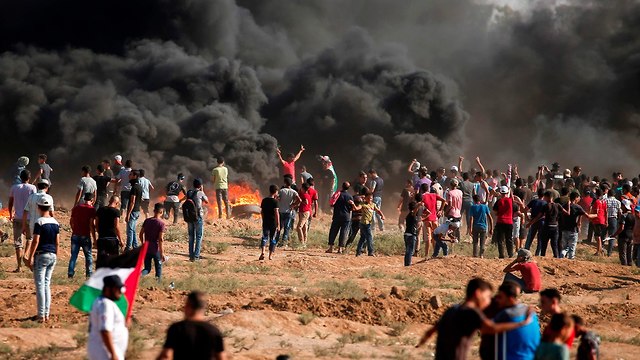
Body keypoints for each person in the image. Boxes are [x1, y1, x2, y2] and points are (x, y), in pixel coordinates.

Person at [416, 278, 533, 360]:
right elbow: (491, 328)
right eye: (487, 297)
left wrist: (423, 341)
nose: (488, 302)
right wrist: (522, 323)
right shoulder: (472, 312)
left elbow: (433, 329)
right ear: (477, 293)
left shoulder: (452, 309)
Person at [157, 291, 227, 360]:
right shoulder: (213, 331)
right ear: (204, 308)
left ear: (187, 306)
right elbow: (221, 357)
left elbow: (166, 355)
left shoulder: (177, 328)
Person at [24, 196, 58, 322]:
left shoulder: (39, 222)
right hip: (52, 255)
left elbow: (36, 240)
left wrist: (30, 257)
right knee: (46, 285)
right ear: (49, 207)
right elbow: (57, 242)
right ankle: (47, 314)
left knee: (40, 285)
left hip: (41, 255)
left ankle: (41, 315)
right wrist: (56, 255)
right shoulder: (55, 222)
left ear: (38, 207)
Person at [492, 282, 541, 360]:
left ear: (510, 299)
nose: (498, 300)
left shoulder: (506, 315)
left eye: (500, 297)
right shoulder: (531, 313)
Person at [87, 275, 128, 360]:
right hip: (106, 352)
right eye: (118, 289)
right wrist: (113, 353)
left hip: (105, 350)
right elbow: (105, 330)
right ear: (108, 289)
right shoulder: (105, 304)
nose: (121, 292)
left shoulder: (101, 301)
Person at [8, 169, 37, 272]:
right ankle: (26, 256)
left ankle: (19, 266)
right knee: (30, 238)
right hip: (29, 217)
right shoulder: (32, 187)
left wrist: (11, 214)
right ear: (29, 178)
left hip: (17, 217)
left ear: (20, 177)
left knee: (18, 242)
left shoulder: (14, 188)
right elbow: (34, 201)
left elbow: (10, 202)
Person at [22, 179, 54, 265]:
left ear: (38, 186)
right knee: (42, 244)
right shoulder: (49, 198)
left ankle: (31, 259)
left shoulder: (31, 197)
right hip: (45, 225)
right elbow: (51, 213)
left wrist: (24, 226)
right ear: (47, 187)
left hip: (33, 224)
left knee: (34, 241)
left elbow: (25, 211)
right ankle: (37, 262)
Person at [559, 192, 597, 259]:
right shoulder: (578, 207)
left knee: (564, 248)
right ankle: (570, 261)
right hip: (573, 230)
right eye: (578, 197)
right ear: (576, 198)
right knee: (571, 249)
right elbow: (587, 216)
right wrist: (596, 215)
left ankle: (561, 257)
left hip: (564, 229)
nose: (579, 199)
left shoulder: (564, 205)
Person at [68, 193, 97, 278]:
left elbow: (71, 221)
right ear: (92, 200)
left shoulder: (76, 208)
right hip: (85, 236)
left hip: (75, 235)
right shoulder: (91, 210)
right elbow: (91, 225)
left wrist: (74, 230)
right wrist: (94, 239)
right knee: (88, 255)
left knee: (73, 255)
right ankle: (89, 273)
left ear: (84, 199)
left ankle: (70, 272)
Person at [528, 191, 563, 258]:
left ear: (546, 197)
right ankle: (556, 258)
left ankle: (542, 258)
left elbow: (539, 216)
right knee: (554, 245)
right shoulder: (557, 205)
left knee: (544, 245)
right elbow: (567, 213)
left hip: (547, 227)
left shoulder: (546, 206)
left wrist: (530, 223)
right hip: (555, 226)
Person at [353, 191, 385, 257]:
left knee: (363, 238)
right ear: (365, 198)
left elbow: (378, 210)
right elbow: (356, 208)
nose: (370, 199)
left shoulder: (373, 205)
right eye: (368, 198)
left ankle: (358, 252)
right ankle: (370, 252)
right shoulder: (363, 204)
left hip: (368, 223)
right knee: (369, 237)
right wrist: (353, 204)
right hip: (364, 224)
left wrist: (382, 215)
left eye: (371, 198)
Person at [95, 196, 123, 267]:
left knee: (101, 261)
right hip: (112, 239)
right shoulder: (116, 212)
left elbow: (96, 224)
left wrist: (99, 232)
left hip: (102, 238)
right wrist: (121, 240)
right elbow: (116, 226)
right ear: (116, 203)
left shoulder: (100, 210)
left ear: (109, 201)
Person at [140, 203, 166, 280]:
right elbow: (161, 239)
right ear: (161, 212)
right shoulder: (161, 224)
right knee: (158, 270)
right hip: (155, 249)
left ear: (154, 211)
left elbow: (141, 234)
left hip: (147, 248)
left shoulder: (147, 221)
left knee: (147, 269)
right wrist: (162, 253)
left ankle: (138, 275)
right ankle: (158, 285)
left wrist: (143, 244)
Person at [327, 182, 353, 254]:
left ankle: (330, 248)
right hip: (346, 217)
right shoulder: (350, 196)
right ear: (348, 188)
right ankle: (340, 249)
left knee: (333, 231)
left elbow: (332, 204)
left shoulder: (337, 194)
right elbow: (351, 208)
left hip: (337, 216)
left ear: (342, 186)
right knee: (344, 232)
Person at [421, 185, 447, 258]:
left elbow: (421, 205)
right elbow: (444, 200)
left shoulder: (423, 196)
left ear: (422, 190)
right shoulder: (434, 195)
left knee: (428, 238)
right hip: (435, 218)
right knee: (435, 237)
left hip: (427, 218)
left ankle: (426, 255)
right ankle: (435, 254)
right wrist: (441, 210)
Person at [276, 177, 301, 249]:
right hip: (288, 212)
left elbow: (277, 198)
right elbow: (299, 200)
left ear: (284, 183)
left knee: (279, 227)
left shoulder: (281, 191)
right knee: (287, 228)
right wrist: (293, 205)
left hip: (281, 211)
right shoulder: (293, 192)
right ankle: (284, 243)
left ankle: (276, 241)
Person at [187, 178, 208, 261]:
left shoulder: (189, 192)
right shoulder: (200, 193)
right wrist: (203, 191)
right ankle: (196, 256)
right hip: (198, 217)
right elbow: (207, 201)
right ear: (200, 185)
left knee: (191, 237)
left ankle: (191, 256)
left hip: (189, 217)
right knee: (199, 236)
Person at [494, 186, 515, 258]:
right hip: (509, 222)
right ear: (507, 193)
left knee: (500, 239)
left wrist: (499, 213)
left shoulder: (499, 201)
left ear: (500, 193)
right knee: (509, 239)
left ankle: (501, 255)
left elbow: (495, 211)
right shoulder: (510, 201)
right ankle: (510, 254)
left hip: (500, 221)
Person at [260, 185, 280, 260]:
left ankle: (263, 252)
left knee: (264, 237)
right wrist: (278, 224)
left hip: (265, 222)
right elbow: (276, 213)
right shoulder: (275, 202)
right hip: (273, 223)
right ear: (276, 192)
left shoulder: (264, 200)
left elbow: (262, 212)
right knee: (273, 238)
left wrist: (263, 219)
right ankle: (270, 256)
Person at [404, 201, 427, 266]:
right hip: (411, 235)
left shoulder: (409, 215)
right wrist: (419, 204)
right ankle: (408, 264)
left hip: (406, 234)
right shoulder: (412, 214)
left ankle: (406, 263)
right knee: (410, 251)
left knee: (408, 250)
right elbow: (415, 211)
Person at [525, 188, 547, 254]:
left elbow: (525, 209)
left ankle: (526, 251)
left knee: (530, 237)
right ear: (544, 195)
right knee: (540, 238)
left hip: (533, 221)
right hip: (542, 221)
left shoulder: (534, 201)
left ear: (538, 194)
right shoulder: (545, 203)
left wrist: (527, 218)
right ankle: (538, 253)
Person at [125, 170, 143, 251]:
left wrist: (128, 214)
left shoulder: (134, 188)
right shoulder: (139, 186)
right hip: (137, 211)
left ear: (135, 176)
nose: (129, 176)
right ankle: (135, 247)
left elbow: (132, 201)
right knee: (133, 230)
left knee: (129, 231)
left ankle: (128, 248)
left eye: (131, 174)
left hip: (133, 211)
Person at [615, 199, 635, 266]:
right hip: (631, 236)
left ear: (624, 206)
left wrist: (615, 234)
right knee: (629, 253)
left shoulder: (624, 216)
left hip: (623, 236)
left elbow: (621, 228)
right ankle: (630, 266)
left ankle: (624, 266)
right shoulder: (633, 216)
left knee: (623, 253)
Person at [589, 188, 607, 256]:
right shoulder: (604, 202)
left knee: (597, 236)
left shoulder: (596, 202)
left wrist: (590, 216)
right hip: (602, 220)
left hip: (597, 220)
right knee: (598, 235)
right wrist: (606, 221)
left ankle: (599, 250)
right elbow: (606, 212)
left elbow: (596, 212)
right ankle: (600, 249)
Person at [603, 188, 621, 257]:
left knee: (603, 234)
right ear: (614, 194)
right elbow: (620, 212)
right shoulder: (618, 202)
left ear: (608, 194)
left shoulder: (605, 201)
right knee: (612, 236)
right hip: (614, 219)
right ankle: (609, 252)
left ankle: (601, 248)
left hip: (605, 219)